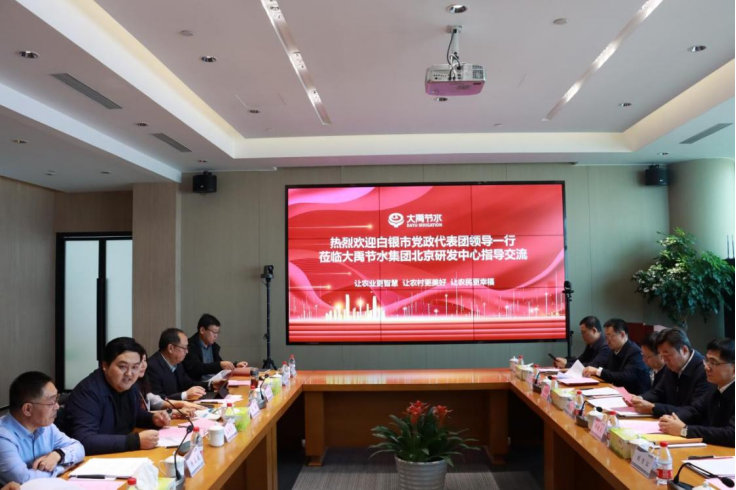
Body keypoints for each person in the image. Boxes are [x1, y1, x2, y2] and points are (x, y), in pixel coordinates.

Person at [64, 337, 169, 455]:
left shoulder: (130, 387)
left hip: (116, 454)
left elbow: (133, 414)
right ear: (105, 365)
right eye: (122, 366)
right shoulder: (88, 393)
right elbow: (84, 440)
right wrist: (135, 441)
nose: (129, 374)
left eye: (135, 367)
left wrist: (152, 419)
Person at [0, 372, 85, 485]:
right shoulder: (3, 438)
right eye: (52, 401)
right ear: (28, 409)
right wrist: (63, 467)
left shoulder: (46, 427)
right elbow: (24, 479)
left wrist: (58, 455)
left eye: (57, 398)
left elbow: (79, 448)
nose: (57, 406)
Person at [660, 338, 735, 447]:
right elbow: (695, 409)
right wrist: (673, 419)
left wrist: (684, 430)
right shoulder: (715, 386)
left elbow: (732, 434)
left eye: (713, 363)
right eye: (707, 360)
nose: (707, 367)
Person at [631, 328, 709, 416]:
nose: (665, 360)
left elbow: (694, 410)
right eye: (662, 356)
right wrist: (639, 398)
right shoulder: (672, 366)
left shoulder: (704, 371)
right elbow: (658, 392)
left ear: (684, 350)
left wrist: (653, 408)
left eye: (667, 355)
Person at [147, 329, 224, 401]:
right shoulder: (152, 367)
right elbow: (157, 400)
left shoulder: (177, 362)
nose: (187, 351)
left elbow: (188, 384)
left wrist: (211, 385)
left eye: (187, 347)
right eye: (184, 348)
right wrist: (185, 395)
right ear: (170, 348)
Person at [583, 318, 650, 395]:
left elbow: (624, 377)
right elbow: (605, 368)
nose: (607, 341)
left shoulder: (635, 352)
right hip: (617, 392)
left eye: (610, 336)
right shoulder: (613, 350)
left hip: (635, 396)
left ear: (622, 334)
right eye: (606, 337)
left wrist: (597, 371)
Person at [137, 351, 204, 417]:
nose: (144, 365)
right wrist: (176, 411)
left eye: (144, 360)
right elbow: (140, 414)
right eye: (139, 362)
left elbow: (157, 401)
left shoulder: (142, 383)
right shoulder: (153, 367)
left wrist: (183, 404)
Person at [182, 314, 248, 382]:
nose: (216, 336)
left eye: (217, 332)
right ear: (202, 330)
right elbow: (197, 368)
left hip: (214, 382)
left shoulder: (213, 346)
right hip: (199, 384)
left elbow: (219, 364)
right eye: (214, 332)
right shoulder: (189, 346)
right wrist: (220, 365)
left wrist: (234, 366)